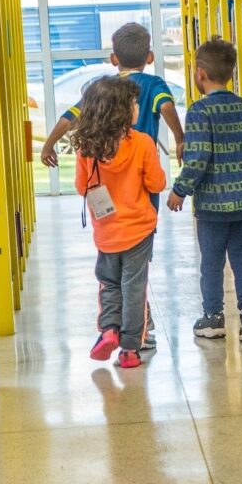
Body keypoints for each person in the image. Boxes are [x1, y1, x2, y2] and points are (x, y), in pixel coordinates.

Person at [166, 39, 242, 343]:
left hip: (213, 205)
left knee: (211, 260)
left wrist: (180, 190)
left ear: (200, 74)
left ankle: (213, 317)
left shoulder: (199, 112)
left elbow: (197, 157)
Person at [73, 76, 166, 368]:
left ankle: (109, 330)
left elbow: (81, 187)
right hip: (139, 229)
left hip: (107, 231)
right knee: (134, 286)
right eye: (133, 103)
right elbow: (156, 183)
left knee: (109, 284)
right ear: (122, 111)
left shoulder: (86, 148)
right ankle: (129, 350)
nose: (137, 107)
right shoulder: (142, 143)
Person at [41, 22, 184, 168]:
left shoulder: (101, 88)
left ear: (113, 59)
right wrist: (180, 139)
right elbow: (166, 106)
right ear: (150, 57)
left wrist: (48, 146)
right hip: (142, 167)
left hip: (109, 169)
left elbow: (69, 118)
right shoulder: (154, 84)